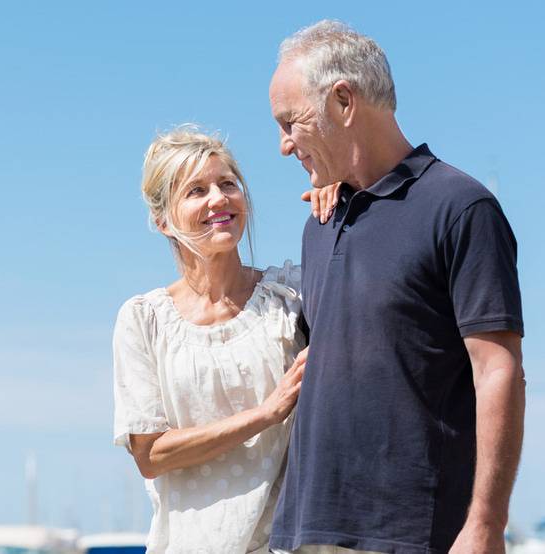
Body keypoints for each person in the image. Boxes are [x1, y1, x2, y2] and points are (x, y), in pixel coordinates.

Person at [267, 21, 525, 554]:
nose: (284, 145)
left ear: (342, 101)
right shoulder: (320, 223)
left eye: (290, 122)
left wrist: (486, 524)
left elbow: (498, 370)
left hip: (415, 535)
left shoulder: (460, 207)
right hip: (307, 534)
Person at [112, 126, 331, 553]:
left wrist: (341, 198)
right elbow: (151, 455)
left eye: (227, 184)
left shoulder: (291, 295)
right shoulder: (143, 320)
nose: (219, 199)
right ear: (162, 221)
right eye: (196, 191)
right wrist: (266, 414)